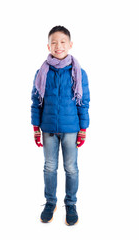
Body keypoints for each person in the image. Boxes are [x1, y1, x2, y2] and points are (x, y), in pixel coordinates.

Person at [31, 26, 90, 226]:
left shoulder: (79, 72)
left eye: (63, 41)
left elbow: (83, 102)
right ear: (48, 45)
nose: (59, 46)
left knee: (71, 168)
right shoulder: (42, 72)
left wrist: (83, 129)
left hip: (71, 129)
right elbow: (36, 101)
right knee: (49, 167)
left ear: (70, 45)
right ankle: (50, 203)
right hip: (47, 128)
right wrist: (35, 127)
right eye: (54, 42)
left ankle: (71, 204)